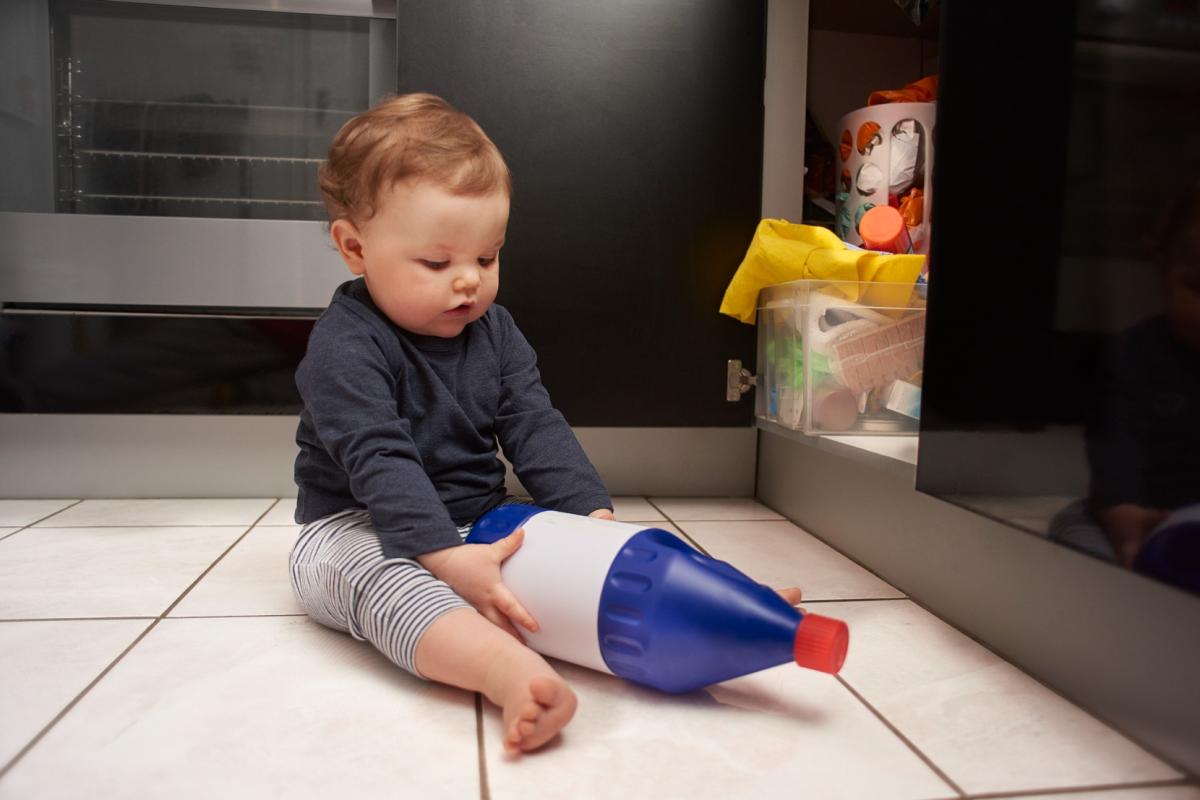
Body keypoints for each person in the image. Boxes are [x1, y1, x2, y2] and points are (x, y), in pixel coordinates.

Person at [288, 93, 806, 755]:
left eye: (487, 257)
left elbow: (534, 424)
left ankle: (721, 601)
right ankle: (506, 672)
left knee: (577, 551)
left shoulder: (494, 331)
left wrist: (590, 525)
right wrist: (444, 559)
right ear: (355, 248)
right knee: (393, 583)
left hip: (479, 515)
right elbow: (379, 457)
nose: (468, 283)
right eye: (438, 263)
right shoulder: (345, 347)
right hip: (355, 525)